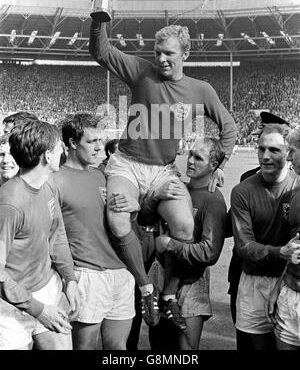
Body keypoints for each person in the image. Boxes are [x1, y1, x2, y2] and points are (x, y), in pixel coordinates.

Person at [89, 0, 237, 328]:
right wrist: (99, 14)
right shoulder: (141, 71)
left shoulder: (200, 89)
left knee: (185, 226)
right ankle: (145, 289)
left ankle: (169, 294)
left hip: (163, 172)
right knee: (116, 216)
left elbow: (228, 125)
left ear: (185, 54)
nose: (162, 59)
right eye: (158, 52)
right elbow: (101, 51)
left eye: (169, 53)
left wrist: (220, 162)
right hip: (127, 164)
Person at [53, 113, 136, 350]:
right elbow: (52, 236)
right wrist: (69, 278)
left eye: (102, 140)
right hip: (86, 274)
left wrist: (133, 208)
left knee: (118, 349)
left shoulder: (100, 174)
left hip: (120, 272)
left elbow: (115, 222)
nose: (100, 147)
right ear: (71, 143)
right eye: (92, 141)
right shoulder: (56, 180)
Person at [139, 137, 227, 350]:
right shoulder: (176, 189)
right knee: (159, 345)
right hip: (161, 275)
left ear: (213, 166)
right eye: (190, 154)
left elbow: (210, 252)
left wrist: (170, 244)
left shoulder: (213, 200)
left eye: (199, 158)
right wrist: (154, 197)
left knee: (185, 349)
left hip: (191, 281)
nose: (190, 161)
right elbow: (145, 219)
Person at [0, 119, 80, 350]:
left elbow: (57, 234)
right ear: (47, 155)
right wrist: (38, 309)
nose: (63, 151)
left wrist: (70, 278)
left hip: (47, 289)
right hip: (11, 304)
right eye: (59, 147)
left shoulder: (48, 184)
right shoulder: (10, 205)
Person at [231, 123, 300, 350]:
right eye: (261, 149)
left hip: (290, 282)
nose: (265, 156)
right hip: (255, 281)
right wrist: (279, 252)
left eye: (274, 150)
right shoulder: (243, 191)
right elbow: (243, 246)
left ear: (288, 153)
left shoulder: (297, 186)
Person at [266, 128, 300, 350]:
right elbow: (293, 245)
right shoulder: (295, 192)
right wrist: (279, 286)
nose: (288, 157)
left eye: (293, 151)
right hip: (290, 292)